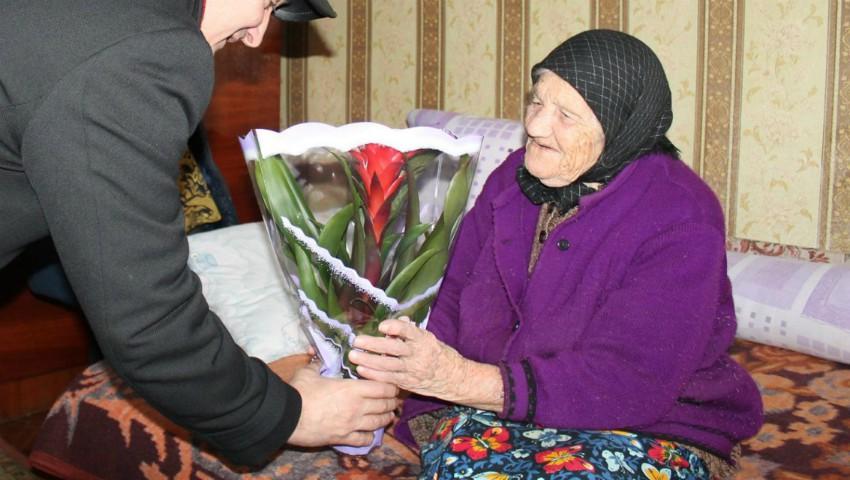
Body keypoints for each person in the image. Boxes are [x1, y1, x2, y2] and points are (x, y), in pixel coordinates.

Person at [0, 0, 399, 468]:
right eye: (267, 2)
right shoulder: (146, 50)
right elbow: (146, 316)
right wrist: (290, 414)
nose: (256, 34)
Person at [350, 29, 763, 479]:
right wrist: (402, 358)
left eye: (566, 114)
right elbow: (451, 292)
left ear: (621, 127)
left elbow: (630, 379)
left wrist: (459, 379)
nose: (535, 126)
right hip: (497, 401)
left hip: (648, 422)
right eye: (536, 102)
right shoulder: (513, 177)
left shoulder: (680, 214)